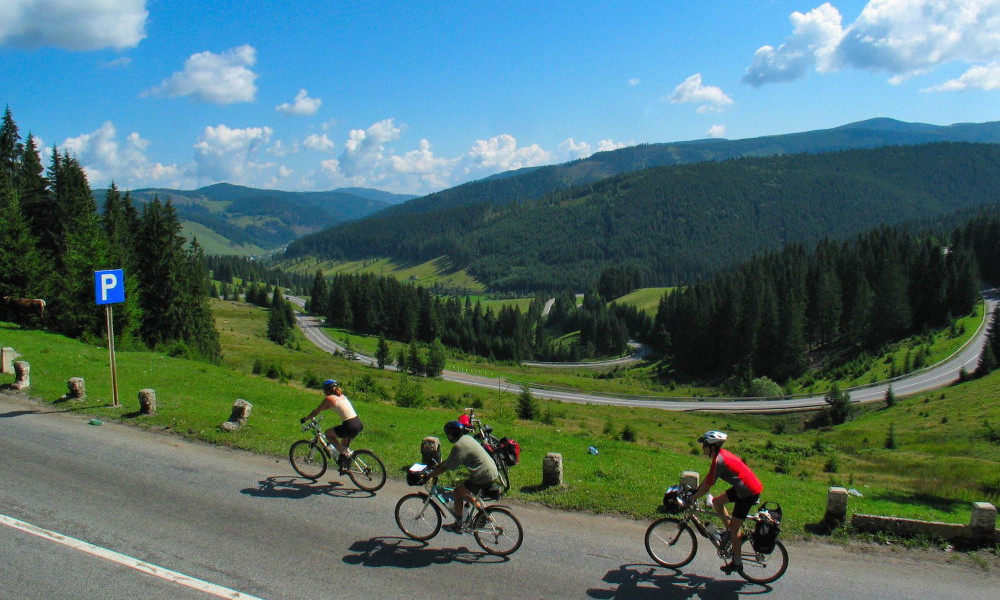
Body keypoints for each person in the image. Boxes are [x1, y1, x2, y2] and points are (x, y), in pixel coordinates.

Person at [688, 430, 763, 574]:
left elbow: (708, 486)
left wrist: (693, 498)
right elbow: (709, 478)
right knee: (716, 502)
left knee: (735, 529)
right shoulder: (720, 456)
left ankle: (737, 563)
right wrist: (696, 490)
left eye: (704, 445)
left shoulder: (719, 461)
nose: (702, 448)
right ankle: (729, 534)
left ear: (712, 447)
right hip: (743, 487)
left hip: (748, 492)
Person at [422, 420, 499, 532]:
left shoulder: (459, 446)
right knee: (466, 493)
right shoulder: (467, 438)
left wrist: (430, 475)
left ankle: (458, 524)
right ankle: (485, 515)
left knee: (457, 492)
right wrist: (438, 465)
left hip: (482, 475)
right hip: (491, 471)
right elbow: (450, 460)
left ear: (451, 435)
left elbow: (446, 467)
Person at [300, 379, 363, 471]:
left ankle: (342, 455)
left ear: (327, 390)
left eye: (324, 390)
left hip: (349, 425)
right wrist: (314, 416)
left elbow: (317, 410)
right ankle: (346, 465)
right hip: (357, 423)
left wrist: (306, 419)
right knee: (344, 446)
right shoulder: (341, 396)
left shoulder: (329, 399)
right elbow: (327, 408)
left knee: (328, 434)